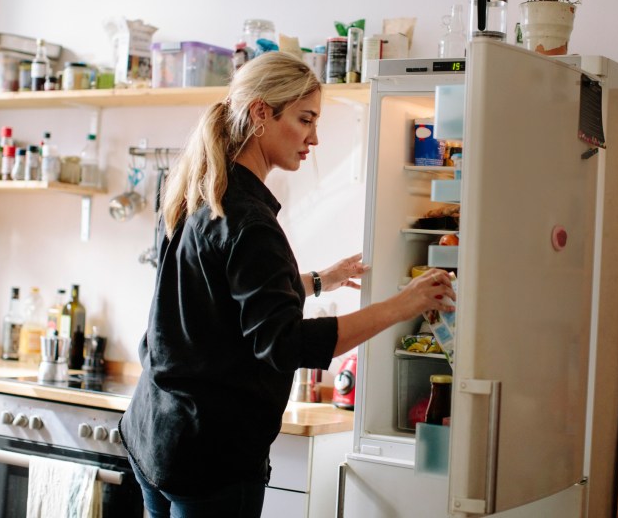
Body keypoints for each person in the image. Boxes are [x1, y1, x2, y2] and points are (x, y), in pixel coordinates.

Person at [119, 52, 455, 518]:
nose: (314, 138)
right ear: (261, 113)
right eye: (305, 120)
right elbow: (286, 344)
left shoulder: (198, 192)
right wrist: (403, 305)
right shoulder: (250, 221)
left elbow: (222, 296)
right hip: (211, 454)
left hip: (157, 433)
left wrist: (321, 280)